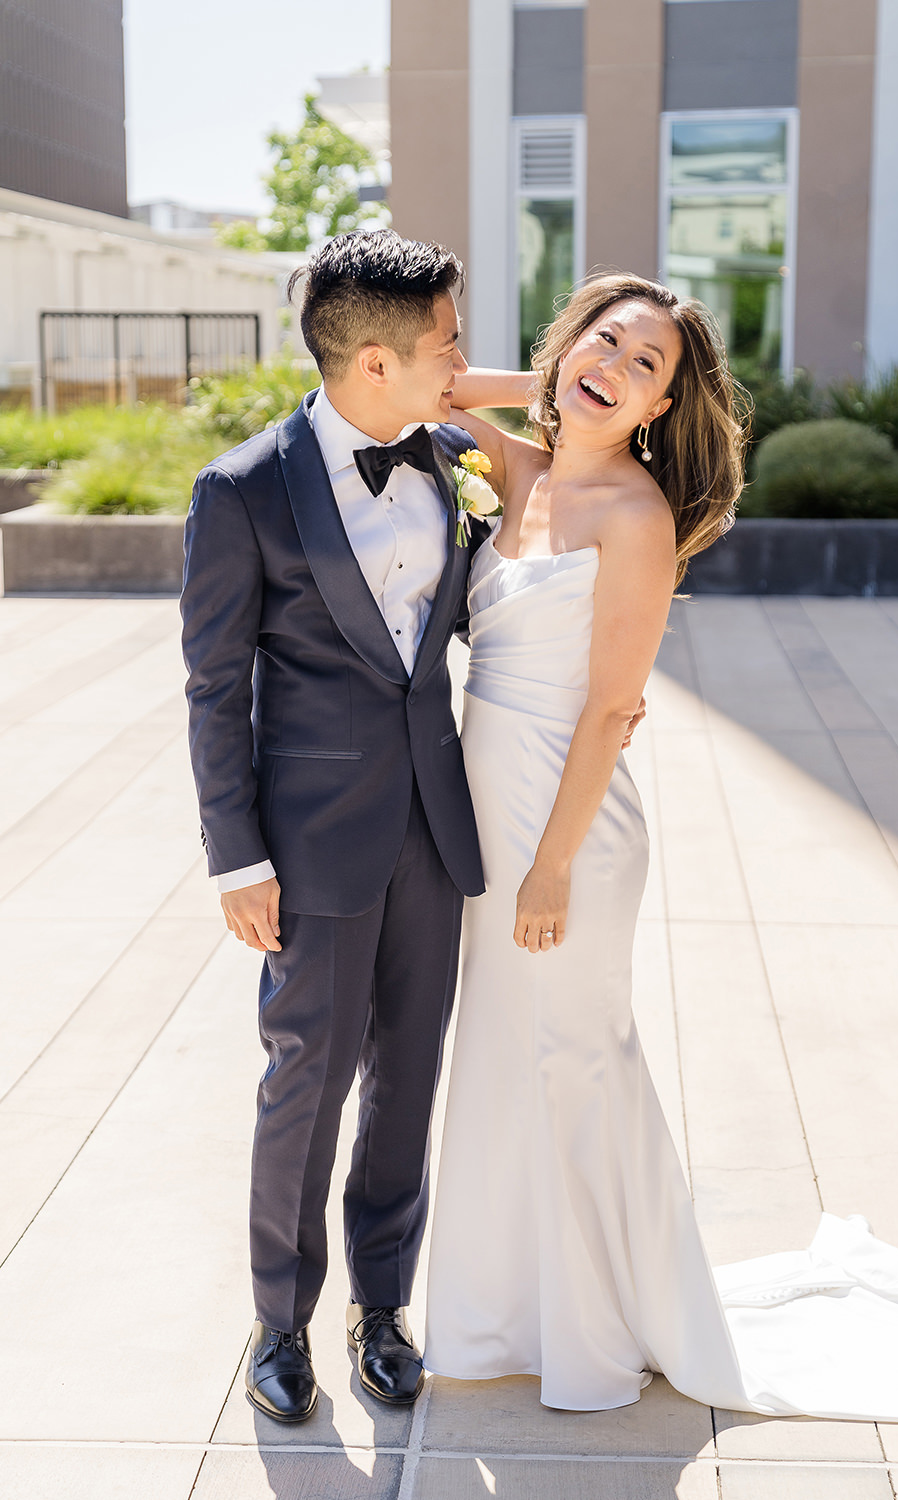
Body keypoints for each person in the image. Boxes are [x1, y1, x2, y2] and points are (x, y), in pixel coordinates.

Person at [427, 272, 898, 1424]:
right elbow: (426, 380)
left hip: (568, 835)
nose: (617, 369)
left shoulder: (635, 518)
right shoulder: (520, 471)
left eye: (649, 367)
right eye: (605, 341)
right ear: (566, 343)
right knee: (501, 1055)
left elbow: (607, 710)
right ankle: (510, 1310)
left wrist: (549, 863)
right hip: (486, 824)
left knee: (575, 1064)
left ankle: (598, 1327)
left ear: (659, 409)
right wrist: (546, 386)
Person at [180, 229, 559, 1424]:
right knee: (308, 1084)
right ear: (377, 363)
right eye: (449, 339)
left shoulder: (446, 449)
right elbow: (211, 688)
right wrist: (236, 857)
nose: (467, 357)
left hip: (433, 829)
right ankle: (280, 1319)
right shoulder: (241, 490)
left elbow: (545, 428)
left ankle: (380, 1307)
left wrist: (476, 384)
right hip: (309, 843)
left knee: (407, 1081)